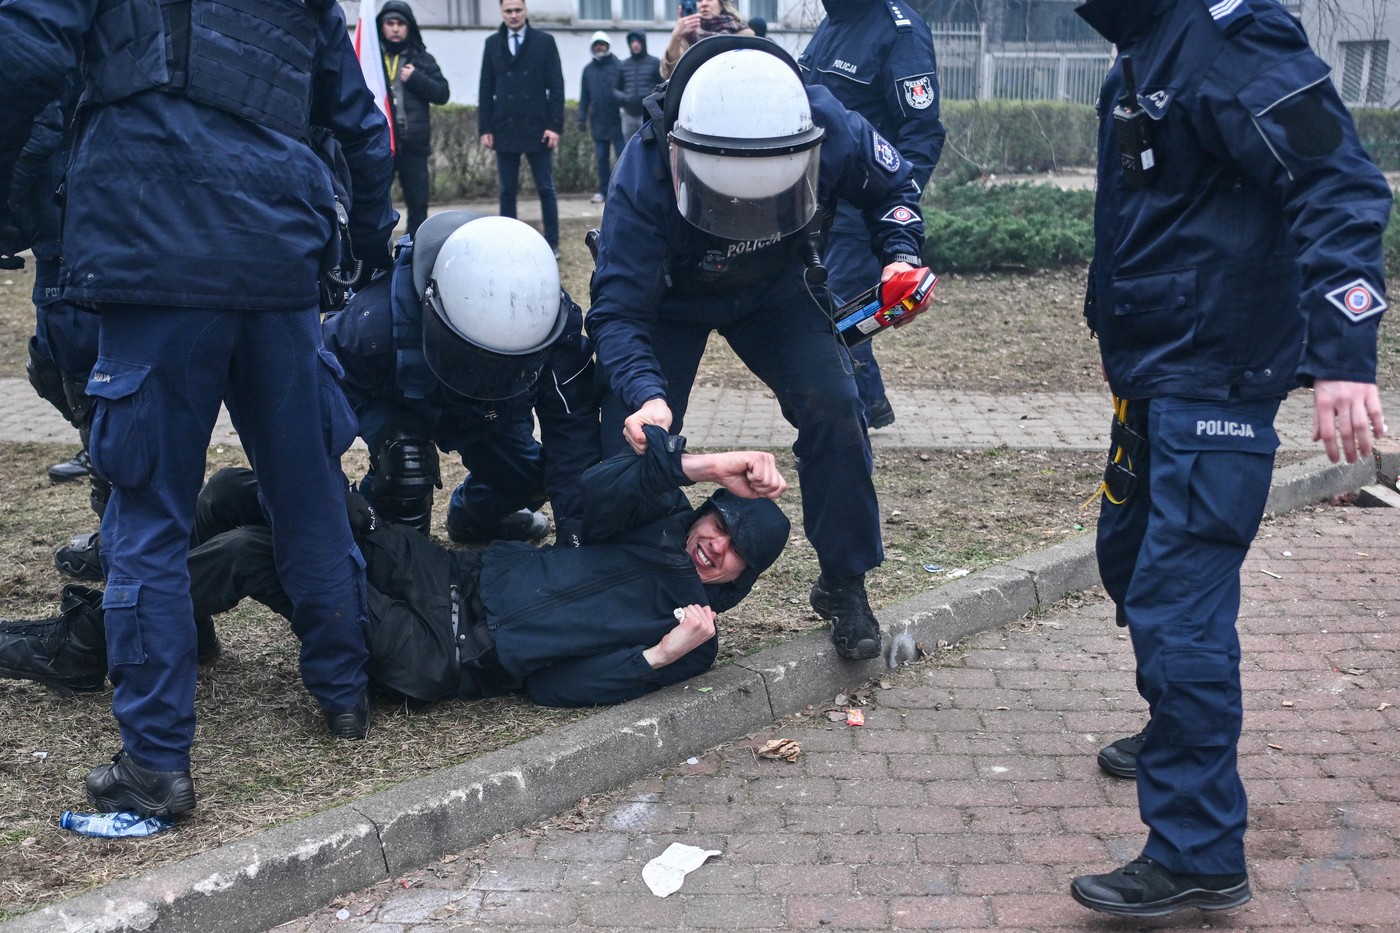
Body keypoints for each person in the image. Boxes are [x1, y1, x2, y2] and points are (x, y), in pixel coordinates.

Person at [0, 0, 398, 820]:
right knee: (307, 487)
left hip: (153, 245)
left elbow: (24, 53)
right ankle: (345, 692)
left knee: (146, 510)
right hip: (278, 255)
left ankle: (156, 762)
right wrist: (365, 243)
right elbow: (359, 122)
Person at [1070, 0, 1391, 918]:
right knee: (1130, 564)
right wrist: (1112, 329)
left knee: (1180, 613)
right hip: (1158, 372)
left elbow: (1338, 181)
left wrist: (1342, 358)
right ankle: (1178, 724)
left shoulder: (1232, 36)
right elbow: (1140, 210)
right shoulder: (1144, 45)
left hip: (1215, 375)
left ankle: (1199, 851)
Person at [0, 428, 791, 710]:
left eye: (733, 553)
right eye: (717, 524)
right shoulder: (658, 529)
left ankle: (86, 647)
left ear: (744, 576)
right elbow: (599, 491)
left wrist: (661, 656)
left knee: (254, 554)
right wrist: (708, 464)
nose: (714, 546)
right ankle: (183, 618)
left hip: (440, 654)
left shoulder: (696, 638)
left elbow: (556, 688)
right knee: (257, 490)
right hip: (446, 574)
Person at [587, 37, 931, 663]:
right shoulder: (642, 171)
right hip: (672, 302)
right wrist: (645, 395)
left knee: (836, 406)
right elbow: (616, 312)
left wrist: (901, 259)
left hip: (776, 289)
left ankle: (844, 582)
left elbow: (895, 187)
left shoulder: (824, 119)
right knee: (632, 440)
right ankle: (626, 579)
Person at [323, 210, 599, 546]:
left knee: (530, 479)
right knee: (406, 460)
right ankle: (389, 545)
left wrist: (575, 530)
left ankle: (474, 520)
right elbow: (322, 395)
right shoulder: (374, 322)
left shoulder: (550, 323)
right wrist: (340, 498)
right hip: (403, 399)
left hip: (490, 411)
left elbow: (572, 428)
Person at [799, 0, 944, 430]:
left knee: (838, 311)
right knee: (823, 307)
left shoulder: (899, 31)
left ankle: (855, 411)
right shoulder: (834, 22)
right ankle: (869, 401)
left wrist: (896, 208)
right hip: (815, 204)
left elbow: (922, 132)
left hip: (862, 205)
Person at [478, 0, 564, 255]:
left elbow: (556, 87)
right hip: (505, 126)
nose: (514, 15)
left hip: (538, 128)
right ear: (502, 13)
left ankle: (552, 242)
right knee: (507, 191)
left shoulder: (544, 42)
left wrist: (554, 126)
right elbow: (485, 88)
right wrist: (485, 128)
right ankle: (509, 242)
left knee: (546, 188)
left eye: (518, 10)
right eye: (508, 11)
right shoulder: (492, 43)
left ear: (526, 11)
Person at [377, 1, 451, 238]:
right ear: (382, 27)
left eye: (400, 24)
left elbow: (442, 93)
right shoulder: (372, 59)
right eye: (390, 23)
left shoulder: (421, 59)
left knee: (418, 205)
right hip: (379, 146)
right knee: (375, 205)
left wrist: (416, 78)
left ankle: (414, 255)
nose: (395, 29)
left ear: (409, 27)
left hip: (413, 147)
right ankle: (376, 257)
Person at [578, 31, 625, 204]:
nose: (600, 47)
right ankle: (603, 192)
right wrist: (581, 118)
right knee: (601, 159)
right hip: (598, 122)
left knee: (622, 157)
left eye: (602, 44)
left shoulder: (619, 66)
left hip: (617, 121)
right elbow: (584, 96)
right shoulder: (588, 70)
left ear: (607, 46)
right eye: (597, 44)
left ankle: (621, 192)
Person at [659, 0, 754, 79]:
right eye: (699, 0)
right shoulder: (687, 35)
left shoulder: (742, 34)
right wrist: (676, 37)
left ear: (721, 3)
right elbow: (668, 73)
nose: (704, 3)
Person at [617, 31, 663, 142]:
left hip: (648, 115)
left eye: (637, 41)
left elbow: (661, 86)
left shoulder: (655, 62)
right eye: (632, 42)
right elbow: (616, 89)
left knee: (650, 145)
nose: (635, 45)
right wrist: (625, 98)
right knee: (629, 146)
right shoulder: (623, 65)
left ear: (643, 43)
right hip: (629, 115)